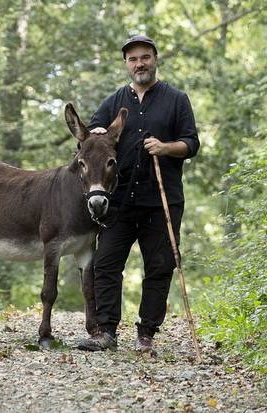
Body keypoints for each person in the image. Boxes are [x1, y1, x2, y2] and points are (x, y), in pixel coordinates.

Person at [78, 35, 200, 353]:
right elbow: (91, 138)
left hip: (162, 200)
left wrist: (165, 147)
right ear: (126, 65)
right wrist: (99, 133)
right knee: (105, 263)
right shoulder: (113, 100)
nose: (139, 64)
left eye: (145, 57)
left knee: (159, 266)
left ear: (155, 59)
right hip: (119, 202)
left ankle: (146, 334)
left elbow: (191, 143)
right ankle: (105, 332)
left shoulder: (176, 99)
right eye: (133, 59)